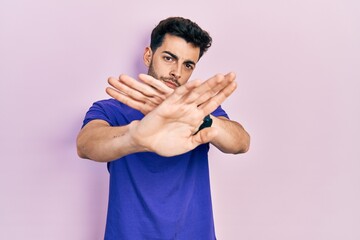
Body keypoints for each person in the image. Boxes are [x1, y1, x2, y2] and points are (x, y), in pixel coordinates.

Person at [76, 16, 250, 239]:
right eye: (169, 58)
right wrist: (134, 137)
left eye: (188, 65)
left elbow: (241, 143)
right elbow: (85, 144)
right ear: (149, 55)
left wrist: (202, 120)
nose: (177, 72)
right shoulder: (111, 109)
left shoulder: (200, 110)